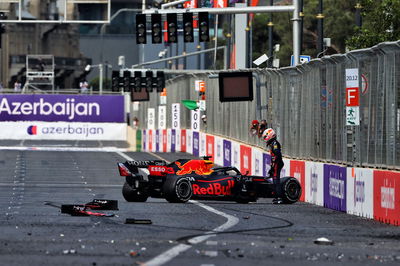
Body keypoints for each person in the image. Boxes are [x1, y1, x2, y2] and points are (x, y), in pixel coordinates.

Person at [262, 128, 284, 204]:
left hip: (278, 163)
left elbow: (277, 154)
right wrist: (272, 167)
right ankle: (276, 196)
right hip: (276, 163)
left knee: (276, 180)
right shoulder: (273, 143)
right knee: (274, 179)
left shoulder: (274, 143)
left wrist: (274, 164)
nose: (265, 139)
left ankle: (279, 197)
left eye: (265, 137)